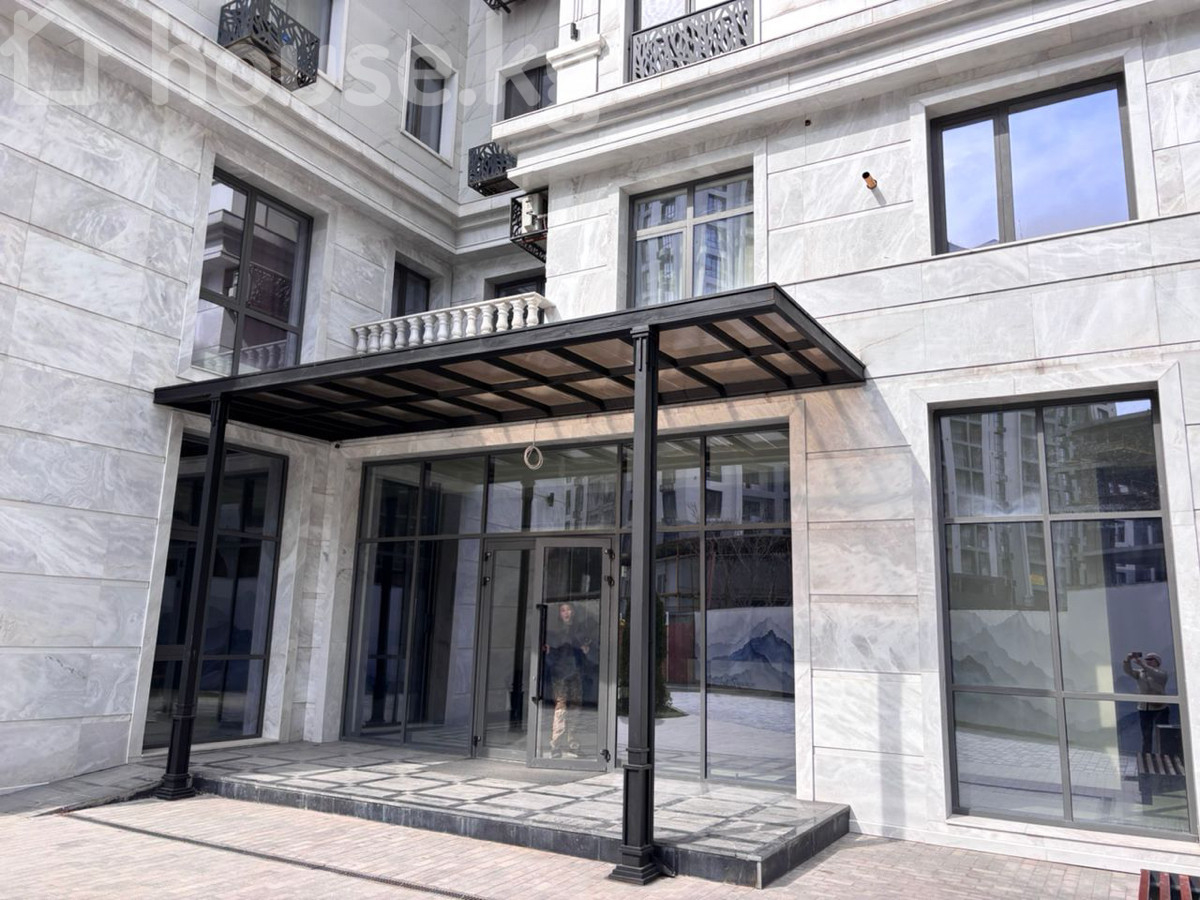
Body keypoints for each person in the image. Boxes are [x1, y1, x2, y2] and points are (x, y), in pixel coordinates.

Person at [544, 601, 590, 758]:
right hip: (560, 673)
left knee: (576, 707)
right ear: (559, 613)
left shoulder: (579, 630)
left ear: (573, 612)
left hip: (575, 671)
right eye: (563, 610)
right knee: (561, 707)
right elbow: (553, 650)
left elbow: (584, 649)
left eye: (568, 610)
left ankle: (573, 744)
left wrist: (585, 650)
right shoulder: (555, 631)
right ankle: (556, 744)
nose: (566, 613)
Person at [1124, 651, 1169, 755]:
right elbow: (1128, 671)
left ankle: (1164, 755)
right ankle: (1146, 755)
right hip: (1144, 708)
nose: (1148, 661)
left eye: (1151, 659)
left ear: (1157, 662)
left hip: (1160, 708)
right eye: (1147, 659)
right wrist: (1128, 660)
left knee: (1163, 734)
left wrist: (1143, 665)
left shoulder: (1162, 673)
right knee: (1146, 735)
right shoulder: (1141, 673)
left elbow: (1155, 674)